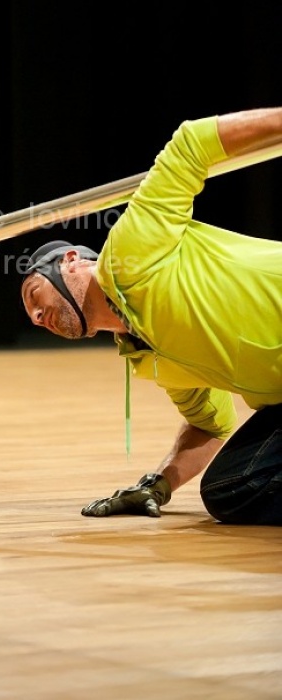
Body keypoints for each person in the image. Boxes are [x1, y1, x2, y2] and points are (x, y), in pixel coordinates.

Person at [21, 108, 282, 525]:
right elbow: (210, 423)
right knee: (230, 489)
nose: (35, 316)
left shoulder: (129, 253)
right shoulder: (146, 358)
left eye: (35, 295)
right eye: (32, 315)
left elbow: (192, 142)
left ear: (70, 261)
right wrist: (156, 484)